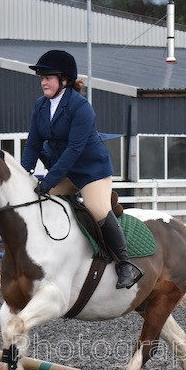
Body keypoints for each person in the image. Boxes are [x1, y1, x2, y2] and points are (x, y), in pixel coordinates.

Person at [22, 50, 138, 289]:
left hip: (91, 171)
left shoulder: (81, 107)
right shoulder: (40, 106)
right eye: (41, 77)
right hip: (65, 171)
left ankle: (125, 264)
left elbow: (74, 149)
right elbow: (33, 142)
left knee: (97, 210)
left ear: (64, 79)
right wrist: (25, 174)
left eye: (48, 77)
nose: (43, 81)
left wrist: (50, 180)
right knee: (36, 202)